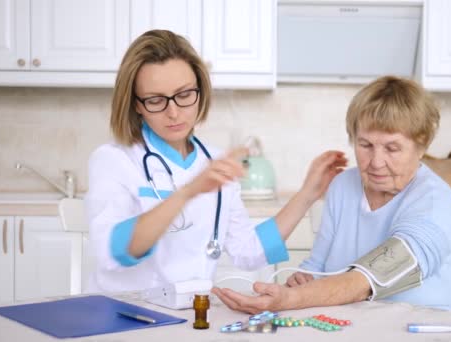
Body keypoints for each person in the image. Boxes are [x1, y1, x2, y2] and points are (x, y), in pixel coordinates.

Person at [84, 30, 347, 293]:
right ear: (136, 105)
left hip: (190, 316)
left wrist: (307, 194)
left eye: (184, 94)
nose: (173, 112)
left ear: (200, 90)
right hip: (125, 314)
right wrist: (189, 191)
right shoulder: (113, 160)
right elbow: (115, 249)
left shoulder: (213, 161)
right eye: (155, 100)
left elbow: (249, 251)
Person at [213, 76, 451, 314]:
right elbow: (318, 268)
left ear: (422, 146)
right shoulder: (343, 186)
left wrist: (292, 299)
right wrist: (304, 282)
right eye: (365, 145)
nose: (376, 162)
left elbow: (375, 277)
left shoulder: (433, 202)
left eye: (392, 148)